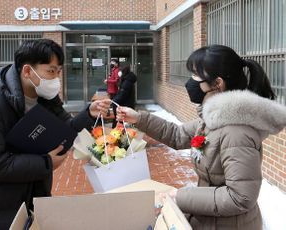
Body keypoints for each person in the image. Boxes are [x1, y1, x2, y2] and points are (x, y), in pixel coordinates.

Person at [117, 45, 286, 230]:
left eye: (197, 76)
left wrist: (180, 197)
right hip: (211, 219)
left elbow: (240, 198)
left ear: (217, 83)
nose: (191, 82)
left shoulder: (236, 133)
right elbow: (177, 134)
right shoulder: (215, 119)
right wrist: (139, 119)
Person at [0, 39, 110, 229]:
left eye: (58, 71)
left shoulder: (46, 98)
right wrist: (45, 163)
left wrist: (88, 114)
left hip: (30, 196)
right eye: (51, 71)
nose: (56, 79)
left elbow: (66, 129)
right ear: (27, 71)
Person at [111, 63, 137, 127]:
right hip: (126, 105)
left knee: (120, 126)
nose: (119, 73)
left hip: (124, 107)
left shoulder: (127, 82)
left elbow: (122, 95)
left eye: (120, 71)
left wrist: (113, 101)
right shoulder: (127, 80)